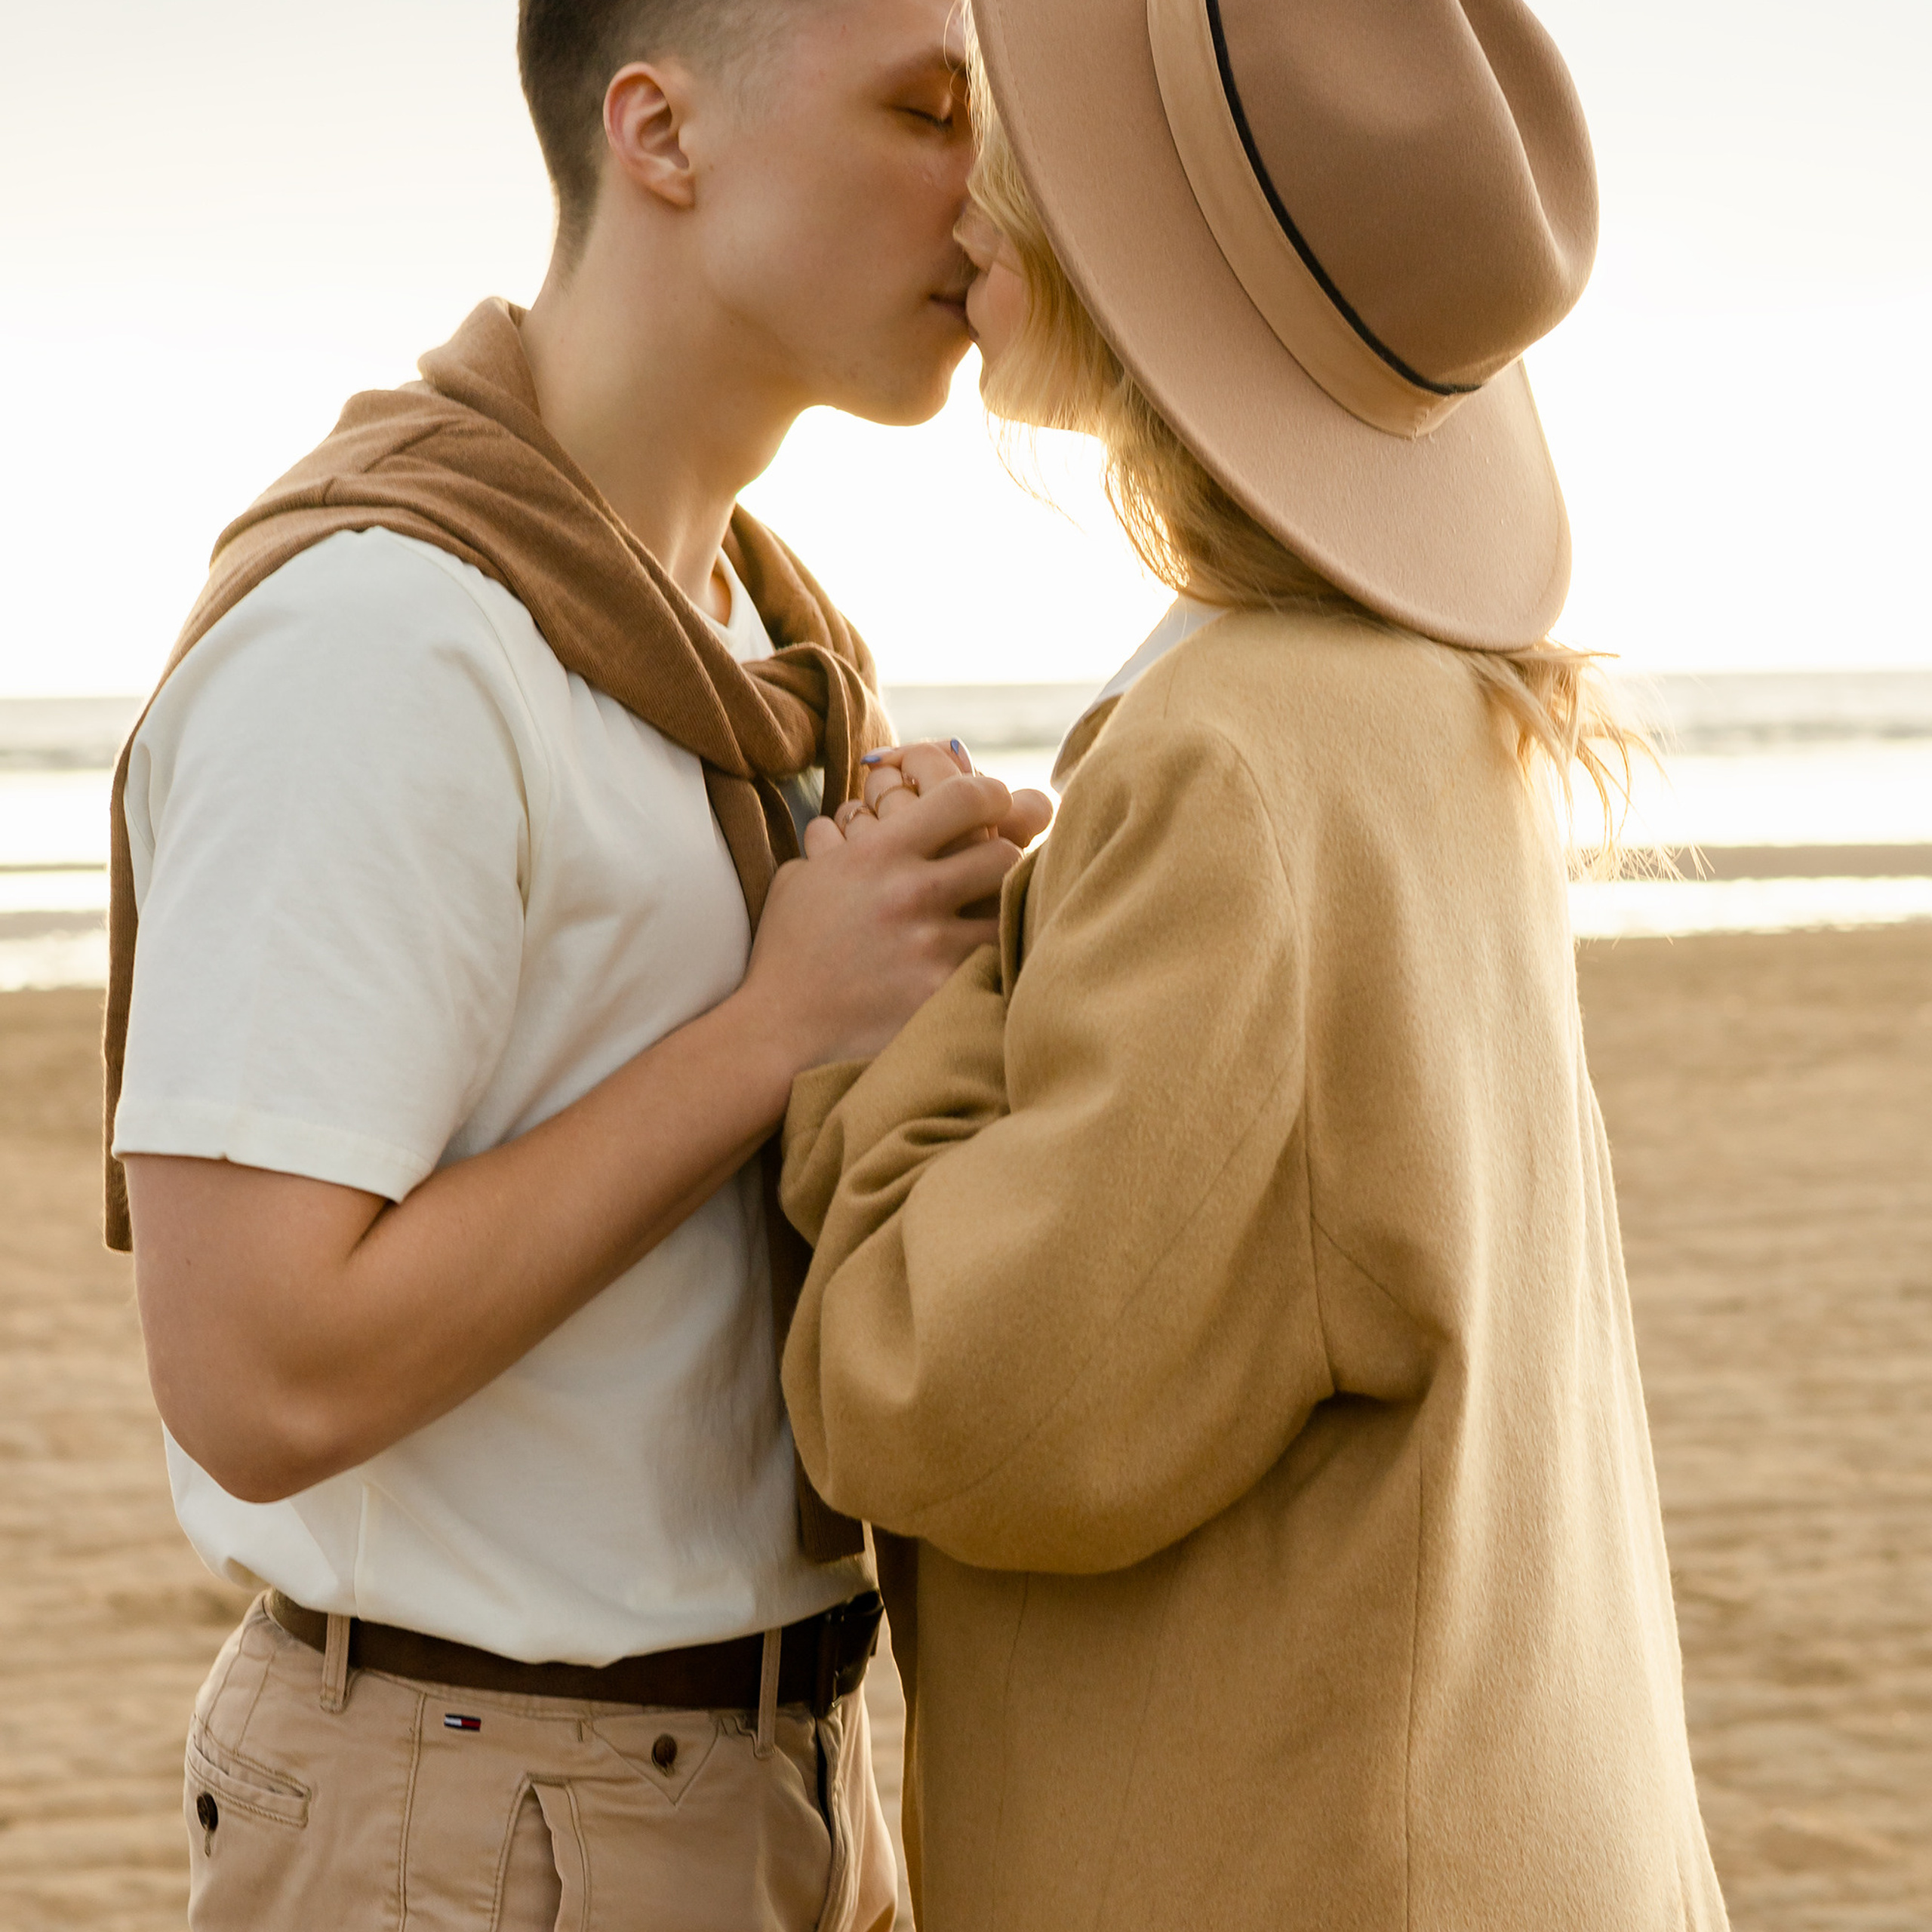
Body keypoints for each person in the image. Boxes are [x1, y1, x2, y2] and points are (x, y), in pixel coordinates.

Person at [777, 2, 1730, 1927]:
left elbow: (954, 1397)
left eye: (1027, 145)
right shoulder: (1411, 703)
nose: (965, 184)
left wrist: (898, 992)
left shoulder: (1240, 755)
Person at [107, 2, 1048, 1925]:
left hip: (766, 1773)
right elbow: (255, 1372)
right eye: (928, 107)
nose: (991, 186)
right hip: (476, 1815)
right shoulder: (386, 638)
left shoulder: (756, 642)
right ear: (660, 131)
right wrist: (779, 1021)